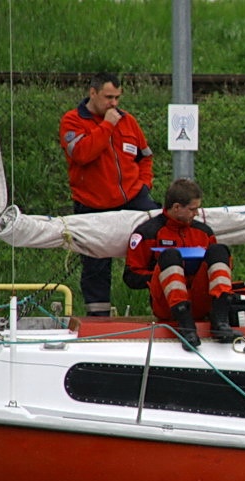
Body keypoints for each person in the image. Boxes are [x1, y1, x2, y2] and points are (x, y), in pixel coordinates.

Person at [60, 72, 160, 317]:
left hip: (133, 197)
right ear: (92, 93)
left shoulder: (129, 121)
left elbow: (144, 156)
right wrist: (107, 125)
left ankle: (162, 302)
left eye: (117, 97)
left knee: (159, 238)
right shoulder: (72, 121)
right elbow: (82, 154)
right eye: (108, 97)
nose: (114, 103)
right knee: (96, 264)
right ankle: (98, 315)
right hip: (92, 204)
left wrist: (144, 185)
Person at [123, 179, 242, 350]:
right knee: (170, 256)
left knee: (219, 250)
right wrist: (170, 275)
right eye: (193, 209)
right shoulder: (148, 233)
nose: (196, 214)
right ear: (177, 207)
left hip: (200, 298)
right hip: (168, 304)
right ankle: (185, 325)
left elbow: (217, 268)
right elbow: (131, 276)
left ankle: (220, 320)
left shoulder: (204, 232)